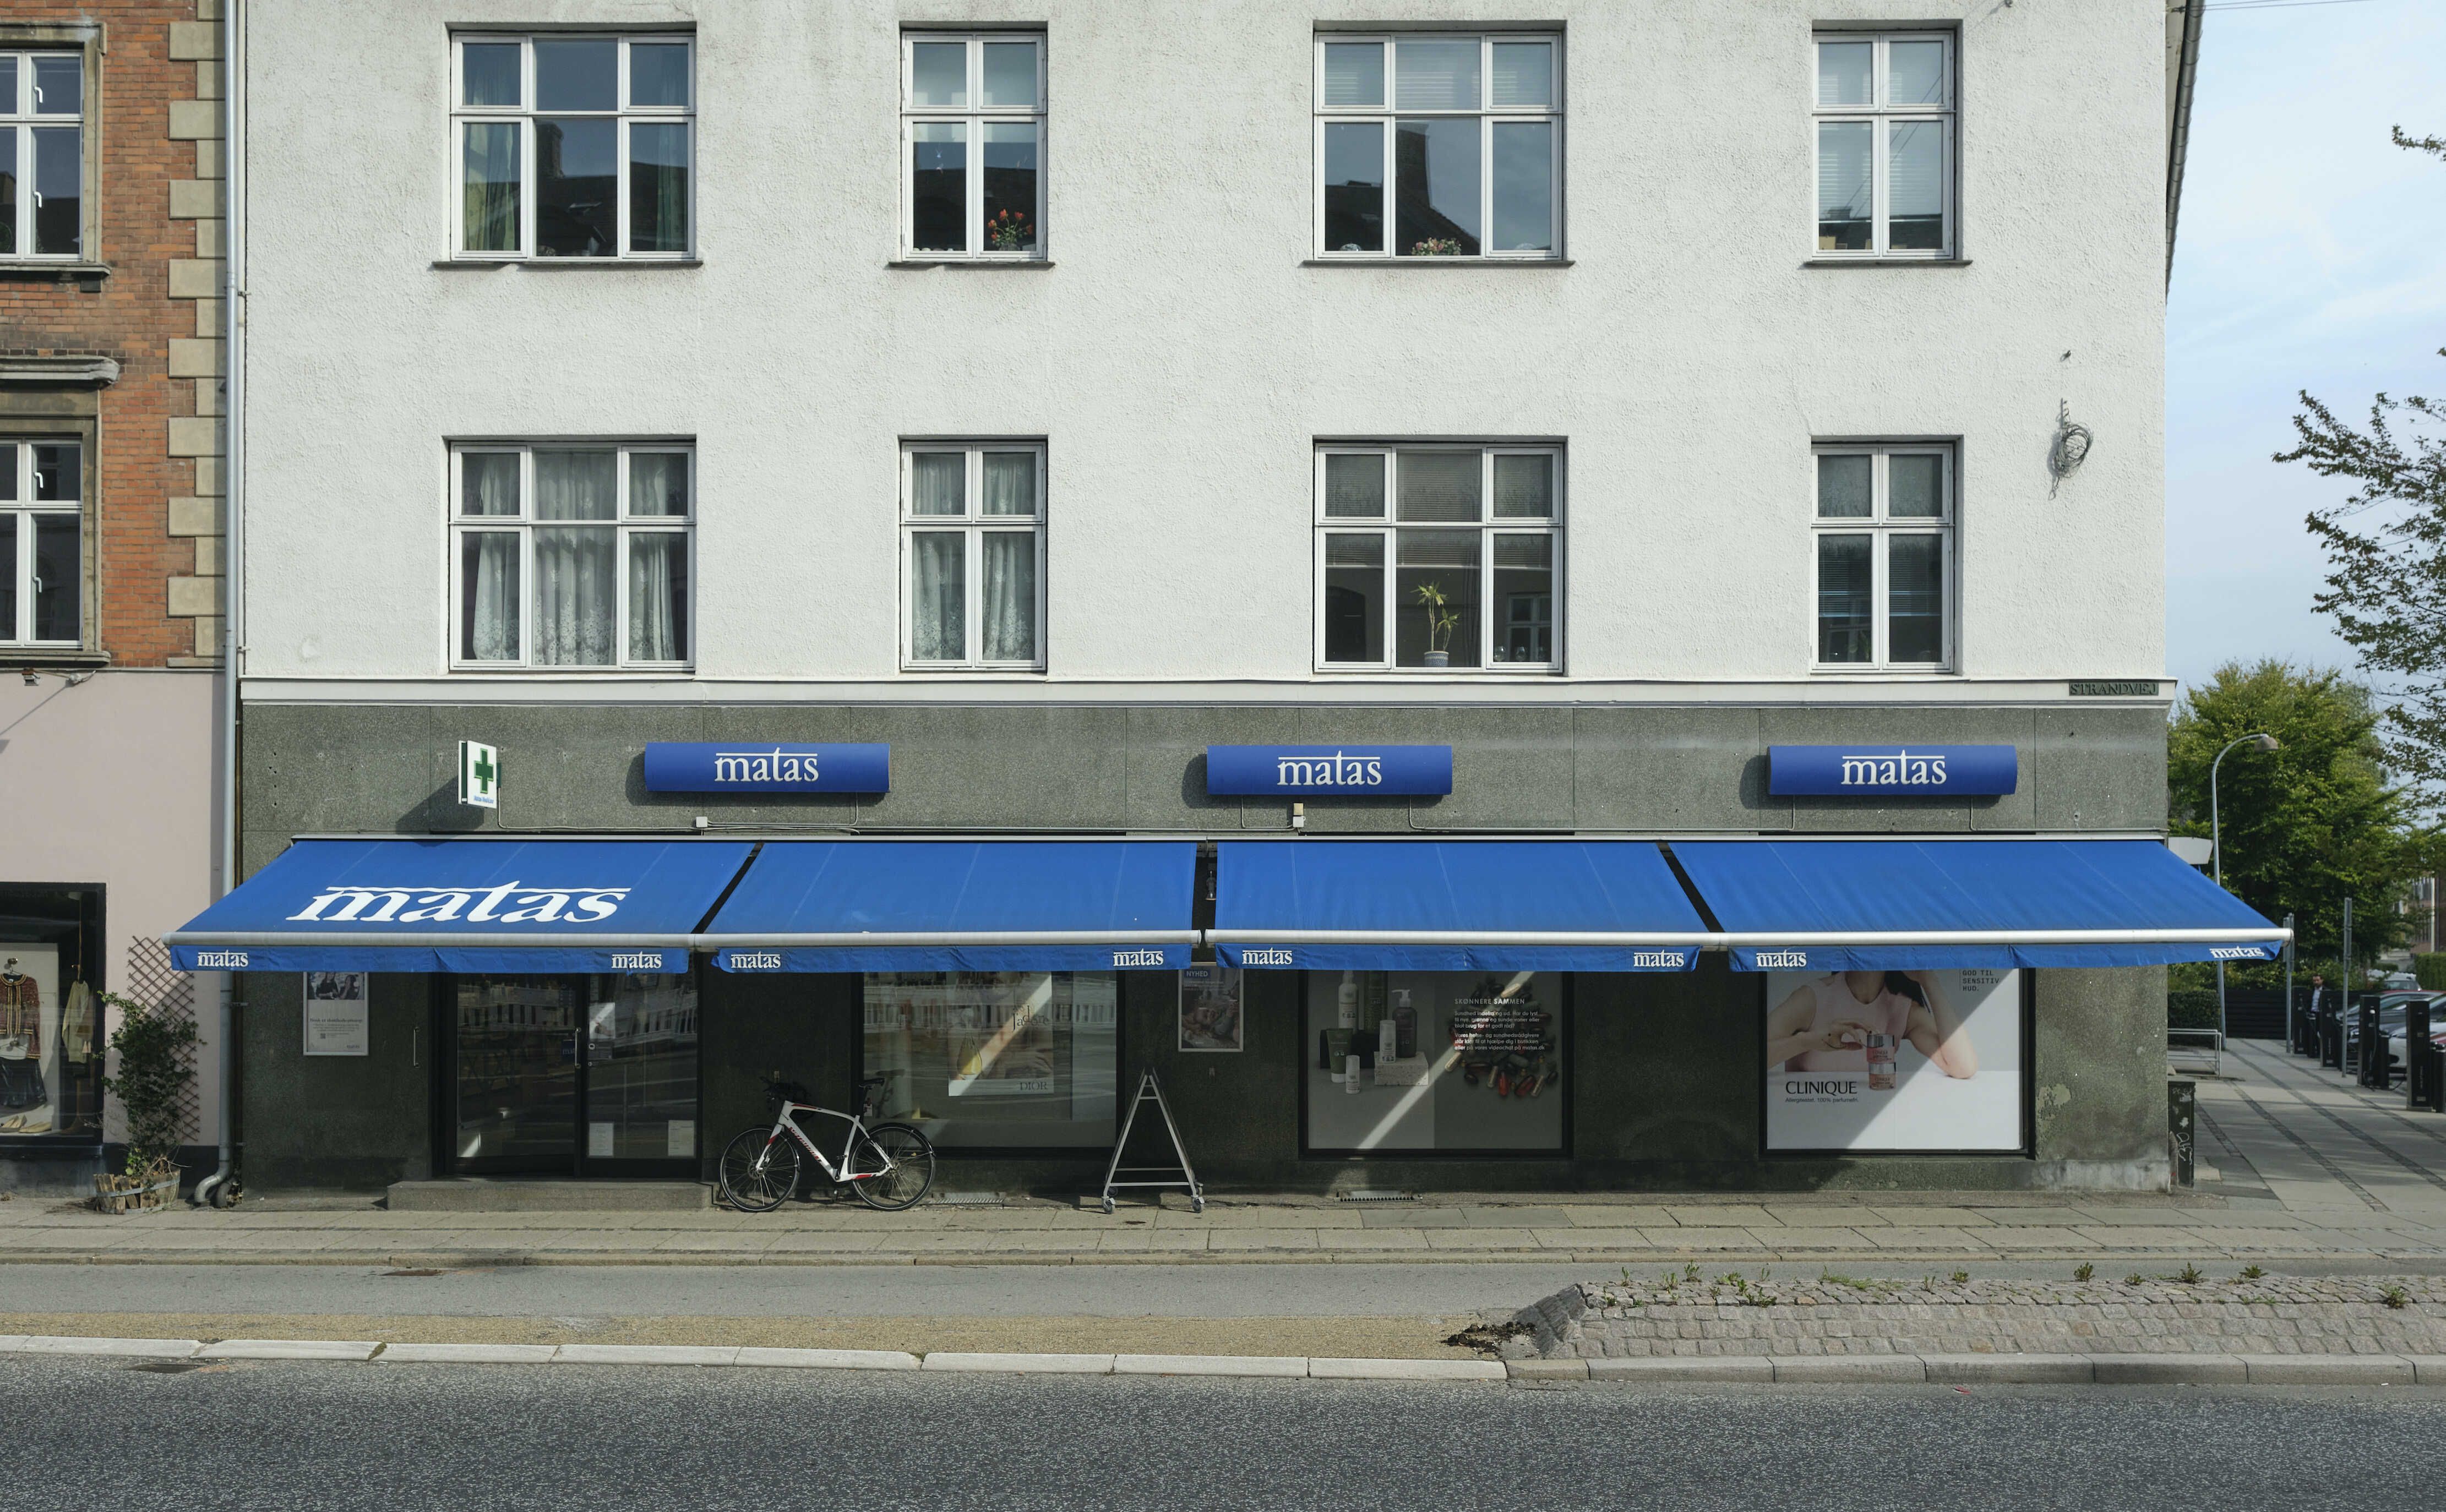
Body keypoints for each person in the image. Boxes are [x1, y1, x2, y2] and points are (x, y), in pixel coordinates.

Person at [1767, 970, 1977, 1078]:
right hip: (1804, 1125)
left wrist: (1929, 980)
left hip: (1864, 1127)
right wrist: (1806, 1041)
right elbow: (1751, 1058)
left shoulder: (1903, 1009)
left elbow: (1963, 1067)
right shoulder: (1812, 998)